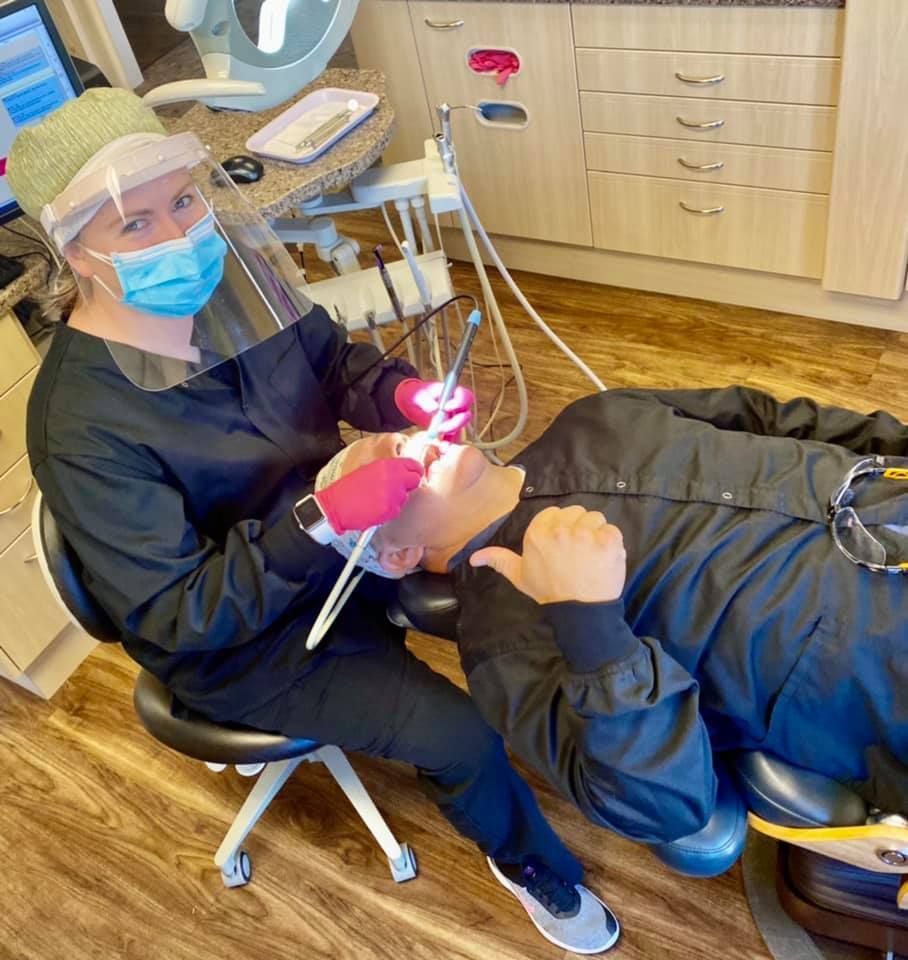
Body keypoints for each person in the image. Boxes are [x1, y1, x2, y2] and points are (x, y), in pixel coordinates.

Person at [7, 88, 620, 954]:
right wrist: (320, 521)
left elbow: (336, 364)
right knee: (465, 738)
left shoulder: (238, 284)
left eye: (183, 200)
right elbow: (178, 613)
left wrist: (400, 391)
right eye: (134, 225)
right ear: (75, 249)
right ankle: (531, 868)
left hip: (348, 538)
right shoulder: (82, 426)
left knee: (511, 582)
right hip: (242, 645)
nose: (180, 236)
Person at [316, 386, 908, 862]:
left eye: (397, 439)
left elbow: (764, 416)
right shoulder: (504, 644)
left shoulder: (594, 414)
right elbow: (661, 807)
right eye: (385, 476)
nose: (409, 448)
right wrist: (591, 625)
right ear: (397, 556)